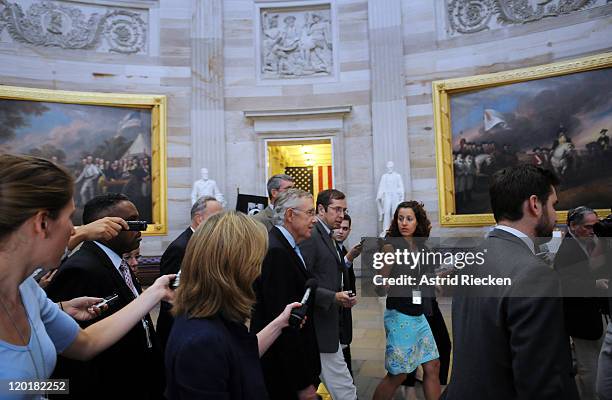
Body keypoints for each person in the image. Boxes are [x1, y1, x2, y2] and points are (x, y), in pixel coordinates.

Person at [0, 155, 174, 393]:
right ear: (42, 223)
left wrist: (155, 291)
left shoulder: (27, 290)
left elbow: (86, 344)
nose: (75, 229)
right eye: (70, 218)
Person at [441, 165, 579, 400]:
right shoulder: (534, 274)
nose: (557, 216)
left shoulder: (473, 259)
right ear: (535, 204)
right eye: (554, 205)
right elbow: (542, 383)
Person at [165, 211, 304, 400]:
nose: (258, 270)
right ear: (234, 267)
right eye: (256, 261)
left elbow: (240, 355)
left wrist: (280, 323)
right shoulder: (202, 342)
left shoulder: (214, 313)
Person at [46, 193, 166, 399]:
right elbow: (72, 359)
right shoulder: (81, 269)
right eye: (131, 222)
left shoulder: (118, 262)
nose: (141, 227)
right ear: (105, 227)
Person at [251, 189, 321, 400]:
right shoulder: (276, 252)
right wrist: (302, 383)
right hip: (283, 375)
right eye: (309, 213)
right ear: (290, 215)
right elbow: (283, 323)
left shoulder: (286, 246)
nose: (314, 219)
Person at [372, 201, 441, 400]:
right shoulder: (390, 247)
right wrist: (382, 282)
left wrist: (435, 281)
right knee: (398, 374)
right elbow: (379, 285)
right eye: (400, 218)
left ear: (417, 222)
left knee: (433, 365)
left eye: (409, 219)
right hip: (400, 315)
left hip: (418, 314)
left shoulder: (421, 247)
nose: (404, 223)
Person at [300, 189, 358, 400]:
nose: (341, 215)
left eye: (344, 210)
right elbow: (302, 282)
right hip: (318, 325)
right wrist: (332, 297)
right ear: (321, 209)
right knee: (345, 389)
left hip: (330, 322)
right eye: (336, 209)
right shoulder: (312, 235)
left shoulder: (329, 235)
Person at [555, 206, 608, 400]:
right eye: (588, 227)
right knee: (590, 368)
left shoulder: (592, 241)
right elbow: (565, 284)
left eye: (596, 226)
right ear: (573, 226)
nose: (593, 230)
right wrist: (594, 284)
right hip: (583, 320)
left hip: (598, 314)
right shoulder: (567, 250)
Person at [157, 195, 223, 350]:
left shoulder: (203, 242)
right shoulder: (180, 248)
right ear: (199, 219)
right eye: (217, 217)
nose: (221, 222)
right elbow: (171, 295)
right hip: (179, 330)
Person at [332, 214, 362, 377]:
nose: (341, 232)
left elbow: (348, 277)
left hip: (344, 310)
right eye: (338, 227)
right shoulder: (328, 247)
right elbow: (333, 273)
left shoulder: (341, 247)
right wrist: (349, 258)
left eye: (345, 229)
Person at [377, 161, 405, 237]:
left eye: (391, 167)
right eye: (389, 167)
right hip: (387, 196)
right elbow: (381, 187)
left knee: (394, 213)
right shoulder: (384, 176)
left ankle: (395, 229)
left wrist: (401, 199)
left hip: (395, 195)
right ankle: (386, 230)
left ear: (393, 167)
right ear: (387, 167)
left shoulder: (397, 176)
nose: (390, 168)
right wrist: (379, 195)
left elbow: (401, 187)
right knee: (386, 212)